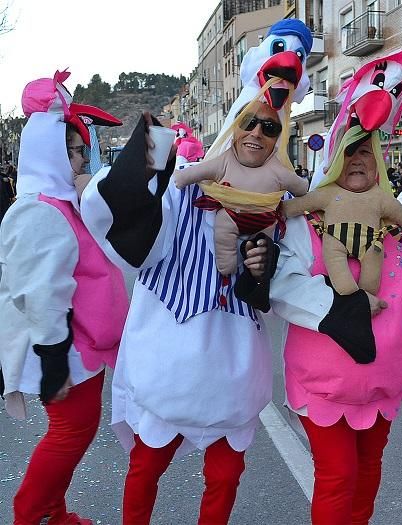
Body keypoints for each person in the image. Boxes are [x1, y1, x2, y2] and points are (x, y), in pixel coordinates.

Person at [79, 20, 314, 524]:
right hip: (169, 367)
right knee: (146, 467)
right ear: (230, 134)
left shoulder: (276, 208)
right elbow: (111, 215)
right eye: (248, 126)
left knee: (225, 477)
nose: (256, 137)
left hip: (232, 373)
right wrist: (150, 156)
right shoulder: (179, 197)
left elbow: (298, 277)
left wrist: (267, 270)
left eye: (270, 129)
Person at [265, 48, 402, 525]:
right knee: (338, 477)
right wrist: (344, 309)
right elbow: (285, 285)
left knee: (369, 473)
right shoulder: (310, 221)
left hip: (385, 380)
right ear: (337, 155)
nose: (359, 159)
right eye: (351, 149)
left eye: (368, 150)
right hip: (325, 383)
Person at [0, 71, 127, 525]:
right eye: (72, 151)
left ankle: (54, 513)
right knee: (69, 434)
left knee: (74, 432)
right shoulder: (38, 210)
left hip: (79, 345)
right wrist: (55, 360)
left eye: (80, 149)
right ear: (48, 151)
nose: (80, 158)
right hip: (63, 347)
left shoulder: (60, 203)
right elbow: (40, 295)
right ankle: (29, 515)